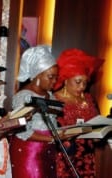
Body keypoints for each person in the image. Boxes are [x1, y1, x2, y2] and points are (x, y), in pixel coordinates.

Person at [10, 45, 59, 178]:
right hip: (29, 151)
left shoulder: (50, 95)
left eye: (56, 77)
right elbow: (22, 131)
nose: (55, 81)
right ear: (38, 75)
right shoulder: (23, 97)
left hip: (48, 149)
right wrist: (51, 138)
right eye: (51, 77)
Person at [53, 48, 103, 178]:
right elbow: (50, 132)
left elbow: (98, 124)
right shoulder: (54, 100)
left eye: (85, 83)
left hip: (87, 159)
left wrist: (99, 134)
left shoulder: (89, 99)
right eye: (78, 82)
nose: (81, 87)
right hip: (64, 159)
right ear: (65, 79)